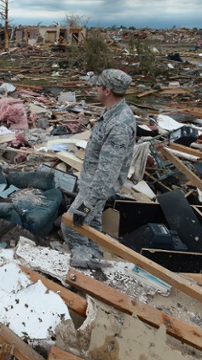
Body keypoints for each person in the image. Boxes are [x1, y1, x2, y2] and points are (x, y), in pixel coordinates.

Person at [61, 69, 136, 269]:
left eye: (98, 86)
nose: (95, 88)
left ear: (108, 91)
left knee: (71, 225)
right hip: (92, 186)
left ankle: (83, 263)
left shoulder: (119, 125)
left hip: (95, 188)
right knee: (91, 226)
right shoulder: (112, 113)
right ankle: (95, 259)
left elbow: (107, 173)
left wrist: (85, 206)